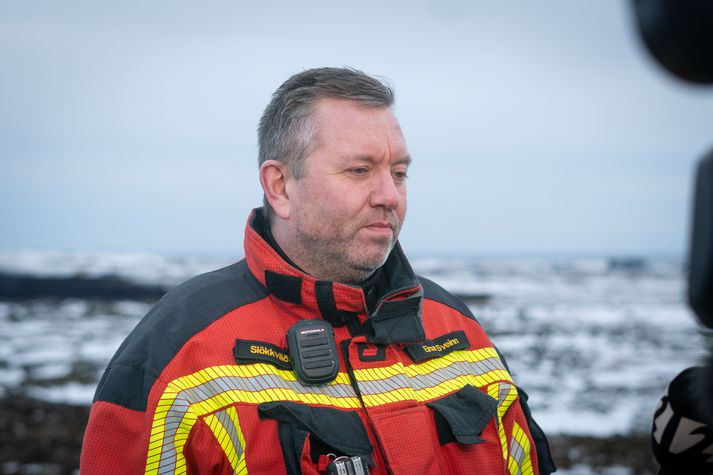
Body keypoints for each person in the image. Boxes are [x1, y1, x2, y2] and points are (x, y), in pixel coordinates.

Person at [81, 67, 556, 475]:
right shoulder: (180, 352)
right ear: (280, 186)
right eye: (358, 170)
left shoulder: (459, 331)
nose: (389, 195)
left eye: (399, 172)